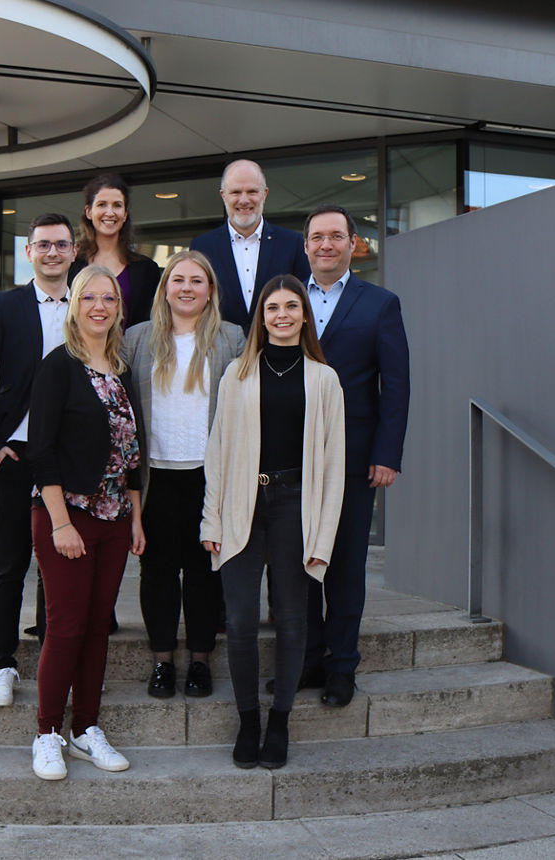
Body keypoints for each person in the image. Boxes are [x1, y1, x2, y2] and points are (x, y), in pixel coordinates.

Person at [200, 274, 345, 770]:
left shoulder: (324, 380)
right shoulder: (237, 375)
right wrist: (210, 522)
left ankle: (280, 721)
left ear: (305, 316)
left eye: (291, 307)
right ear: (261, 318)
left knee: (291, 619)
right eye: (272, 308)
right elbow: (216, 453)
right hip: (243, 505)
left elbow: (334, 467)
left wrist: (322, 537)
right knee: (239, 622)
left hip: (294, 507)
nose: (281, 315)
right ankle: (248, 722)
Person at [27, 264, 145, 781]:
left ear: (119, 309)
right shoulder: (59, 365)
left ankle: (86, 728)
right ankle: (47, 732)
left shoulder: (122, 368)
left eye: (110, 299)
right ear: (75, 304)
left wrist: (136, 517)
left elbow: (132, 454)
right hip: (67, 517)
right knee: (67, 625)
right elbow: (41, 450)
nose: (100, 306)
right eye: (90, 297)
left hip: (116, 520)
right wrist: (59, 522)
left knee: (99, 627)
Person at [121, 250, 245, 699]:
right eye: (178, 280)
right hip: (154, 476)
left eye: (197, 280)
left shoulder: (232, 338)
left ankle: (199, 661)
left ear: (210, 290)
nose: (187, 288)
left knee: (203, 572)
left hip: (208, 476)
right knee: (155, 572)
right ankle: (162, 661)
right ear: (165, 288)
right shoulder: (135, 339)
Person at [302, 203, 410, 708]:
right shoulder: (282, 299)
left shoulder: (380, 303)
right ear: (306, 246)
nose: (326, 244)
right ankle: (305, 661)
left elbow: (397, 384)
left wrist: (387, 453)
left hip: (353, 455)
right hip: (289, 457)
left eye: (336, 236)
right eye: (317, 237)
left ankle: (341, 666)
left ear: (352, 245)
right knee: (296, 565)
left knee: (345, 564)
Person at [0, 212, 75, 708]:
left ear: (75, 252)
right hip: (16, 454)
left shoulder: (91, 304)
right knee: (10, 562)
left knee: (59, 562)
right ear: (29, 253)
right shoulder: (6, 305)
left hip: (71, 457)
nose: (52, 252)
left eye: (61, 244)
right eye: (43, 245)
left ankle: (54, 657)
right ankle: (1, 662)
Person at [190, 159, 310, 328]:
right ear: (223, 195)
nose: (244, 200)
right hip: (222, 351)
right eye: (236, 192)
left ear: (265, 194)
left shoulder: (293, 243)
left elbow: (305, 302)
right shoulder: (202, 247)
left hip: (277, 350)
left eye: (252, 191)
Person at [69, 174, 161, 327]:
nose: (110, 212)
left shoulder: (147, 269)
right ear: (88, 212)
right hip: (82, 350)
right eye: (102, 204)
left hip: (131, 351)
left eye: (117, 205)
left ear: (125, 214)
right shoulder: (72, 265)